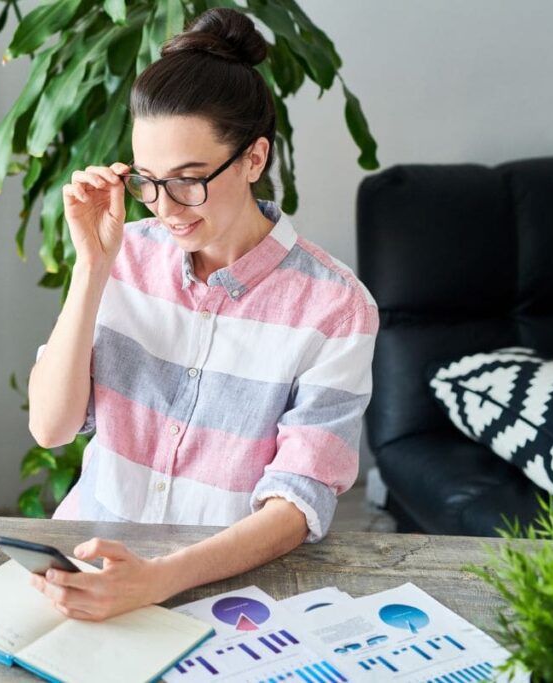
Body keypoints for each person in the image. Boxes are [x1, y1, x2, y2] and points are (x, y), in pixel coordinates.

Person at [26, 7, 379, 622]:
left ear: (253, 158)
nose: (166, 207)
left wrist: (157, 580)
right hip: (88, 574)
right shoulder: (123, 254)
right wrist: (90, 268)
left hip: (227, 599)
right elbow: (51, 429)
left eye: (190, 180)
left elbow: (298, 503)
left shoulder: (336, 308)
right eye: (148, 181)